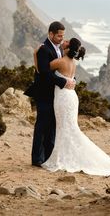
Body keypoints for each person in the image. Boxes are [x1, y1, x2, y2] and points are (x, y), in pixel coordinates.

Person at [41, 37, 110, 177]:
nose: (64, 43)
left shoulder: (60, 62)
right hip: (71, 97)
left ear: (69, 48)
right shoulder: (73, 62)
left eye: (67, 43)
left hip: (63, 98)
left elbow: (42, 68)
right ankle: (63, 155)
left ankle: (61, 158)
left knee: (63, 128)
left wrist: (36, 54)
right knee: (69, 128)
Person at [24, 21, 76, 167]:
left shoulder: (60, 50)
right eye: (59, 36)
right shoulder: (43, 49)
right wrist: (63, 83)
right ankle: (37, 159)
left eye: (62, 36)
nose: (61, 38)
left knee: (53, 126)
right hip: (44, 93)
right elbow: (45, 73)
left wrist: (71, 80)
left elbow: (64, 70)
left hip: (56, 95)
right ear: (51, 34)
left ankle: (48, 157)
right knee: (42, 124)